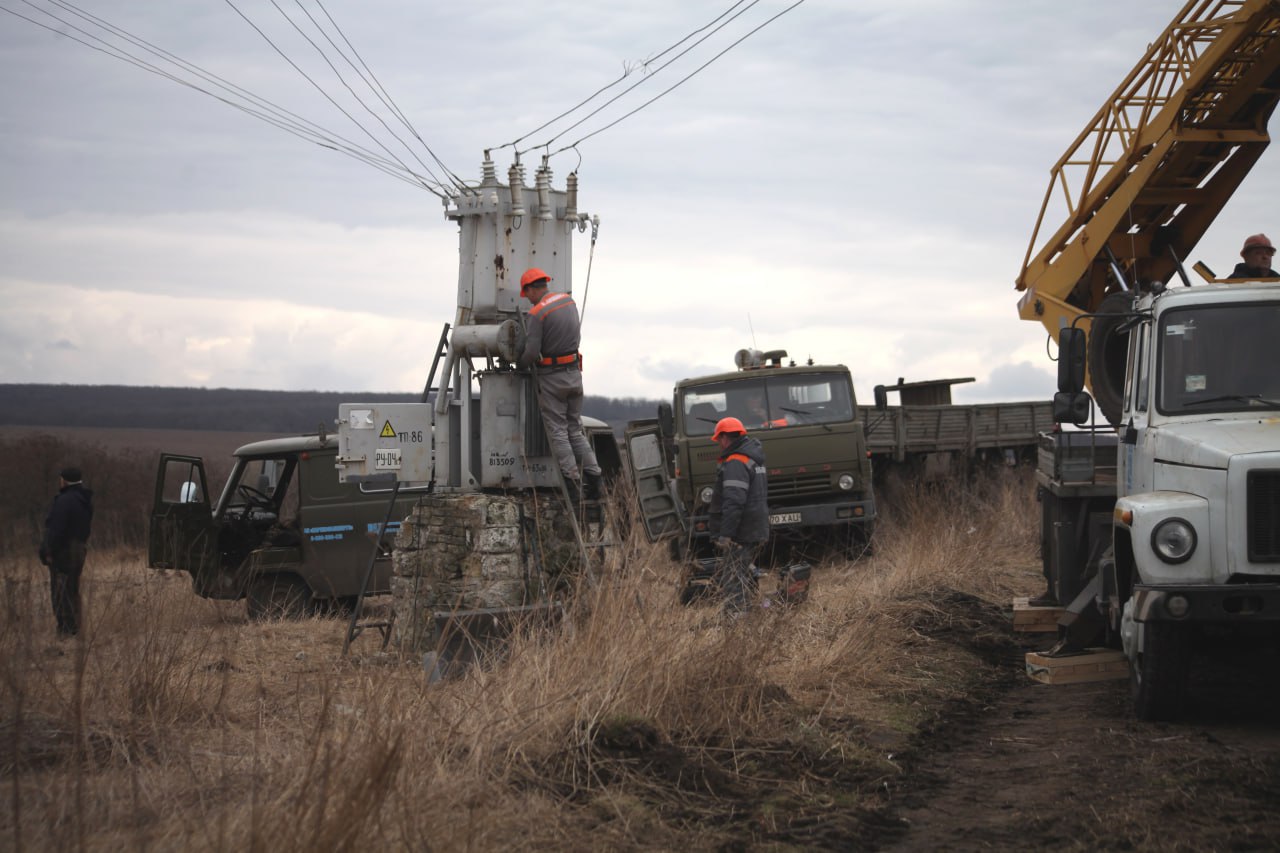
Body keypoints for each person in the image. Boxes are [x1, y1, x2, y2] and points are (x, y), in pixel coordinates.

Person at [518, 267, 603, 502]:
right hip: (574, 374)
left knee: (558, 432)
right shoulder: (569, 301)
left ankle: (573, 483)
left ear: (531, 290)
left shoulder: (537, 314)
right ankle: (595, 477)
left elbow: (532, 351)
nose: (528, 301)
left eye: (527, 295)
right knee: (575, 429)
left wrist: (520, 364)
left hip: (552, 378)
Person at [707, 417, 769, 614]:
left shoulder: (736, 461)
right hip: (754, 525)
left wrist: (726, 534)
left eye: (719, 440)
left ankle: (736, 618)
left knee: (733, 577)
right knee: (742, 572)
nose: (719, 444)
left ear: (725, 438)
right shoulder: (753, 457)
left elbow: (734, 502)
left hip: (741, 531)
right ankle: (747, 611)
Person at [39, 466, 94, 637]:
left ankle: (66, 629)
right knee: (72, 589)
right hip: (79, 549)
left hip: (63, 551)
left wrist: (48, 550)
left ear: (64, 480)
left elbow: (57, 529)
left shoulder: (64, 501)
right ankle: (74, 626)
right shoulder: (84, 500)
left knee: (61, 591)